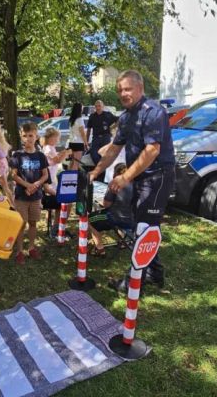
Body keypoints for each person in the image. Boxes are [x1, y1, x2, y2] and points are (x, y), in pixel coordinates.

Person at [89, 69, 175, 292]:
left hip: (157, 176)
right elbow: (114, 148)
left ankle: (134, 281)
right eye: (120, 90)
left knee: (144, 227)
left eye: (127, 89)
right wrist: (95, 171)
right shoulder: (126, 117)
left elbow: (152, 150)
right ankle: (154, 273)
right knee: (145, 226)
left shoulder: (153, 112)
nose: (123, 94)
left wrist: (125, 176)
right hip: (140, 177)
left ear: (140, 88)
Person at [10, 122, 49, 264]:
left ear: (36, 136)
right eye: (25, 136)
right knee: (21, 224)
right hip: (21, 196)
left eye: (31, 135)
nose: (28, 139)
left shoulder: (41, 155)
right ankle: (19, 251)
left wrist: (36, 185)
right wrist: (27, 185)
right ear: (21, 137)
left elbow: (45, 175)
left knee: (33, 223)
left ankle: (31, 247)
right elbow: (14, 175)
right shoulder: (17, 155)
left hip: (36, 196)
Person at [88, 163, 133, 257]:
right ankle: (123, 241)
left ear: (116, 173)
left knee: (89, 219)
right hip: (134, 220)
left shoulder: (115, 184)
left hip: (116, 218)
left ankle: (99, 248)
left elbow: (106, 204)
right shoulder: (138, 184)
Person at [42, 127, 70, 237]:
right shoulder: (48, 148)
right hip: (49, 181)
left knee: (55, 205)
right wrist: (66, 153)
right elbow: (57, 160)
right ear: (51, 138)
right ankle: (55, 227)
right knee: (59, 204)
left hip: (52, 180)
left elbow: (56, 157)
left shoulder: (50, 147)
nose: (58, 140)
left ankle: (51, 225)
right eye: (57, 138)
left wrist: (63, 152)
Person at [87, 100, 118, 165]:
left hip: (105, 138)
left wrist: (112, 127)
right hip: (96, 138)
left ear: (103, 106)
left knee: (105, 155)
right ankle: (100, 167)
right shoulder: (92, 116)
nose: (98, 108)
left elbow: (118, 120)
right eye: (96, 106)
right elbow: (89, 129)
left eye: (99, 106)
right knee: (94, 154)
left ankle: (102, 168)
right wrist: (86, 141)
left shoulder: (108, 114)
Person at [68, 102, 88, 170]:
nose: (82, 109)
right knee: (76, 164)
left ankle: (68, 176)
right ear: (79, 109)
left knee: (71, 162)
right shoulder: (80, 119)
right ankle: (74, 177)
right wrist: (86, 143)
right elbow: (82, 133)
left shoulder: (71, 120)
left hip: (71, 142)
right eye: (82, 108)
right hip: (78, 143)